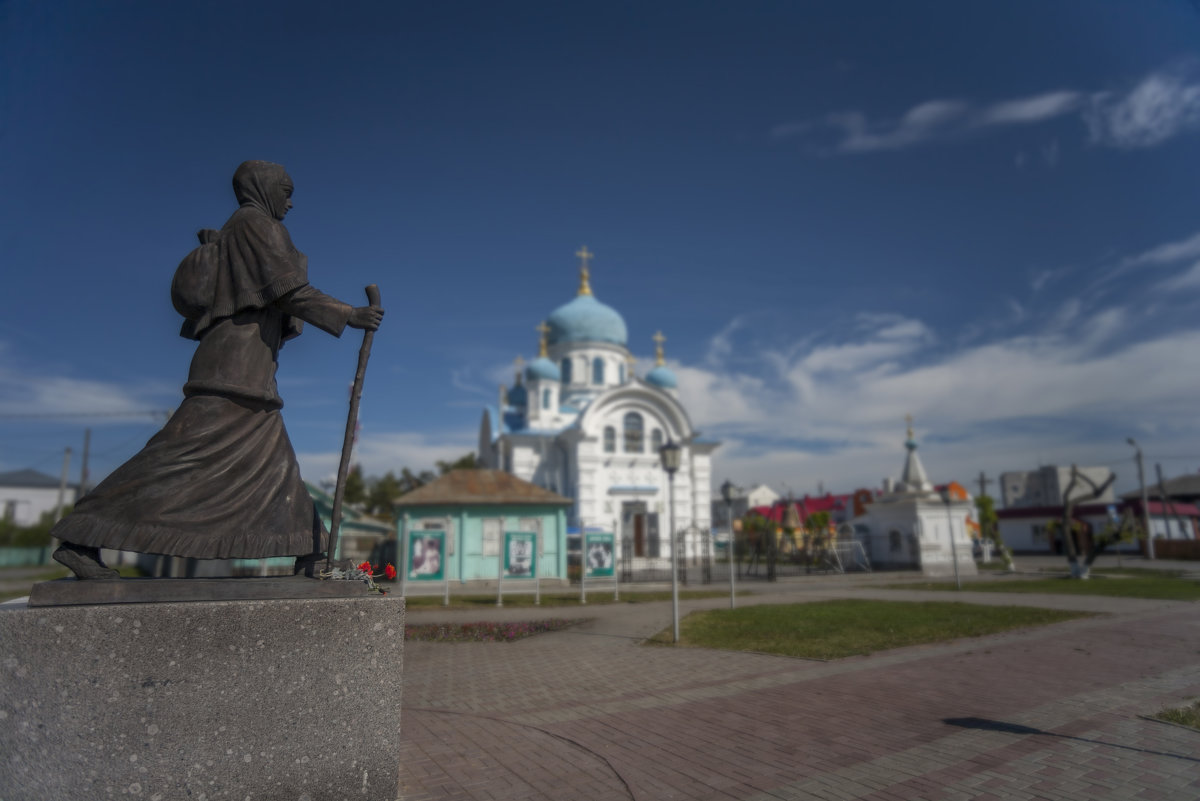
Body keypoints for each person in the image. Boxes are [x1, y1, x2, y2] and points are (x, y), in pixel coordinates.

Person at [51, 161, 384, 579]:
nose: (291, 201)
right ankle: (81, 536)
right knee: (174, 461)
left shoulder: (242, 228)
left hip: (248, 374)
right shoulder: (257, 225)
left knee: (278, 469)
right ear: (262, 188)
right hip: (231, 372)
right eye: (285, 190)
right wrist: (348, 314)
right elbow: (288, 290)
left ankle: (312, 553)